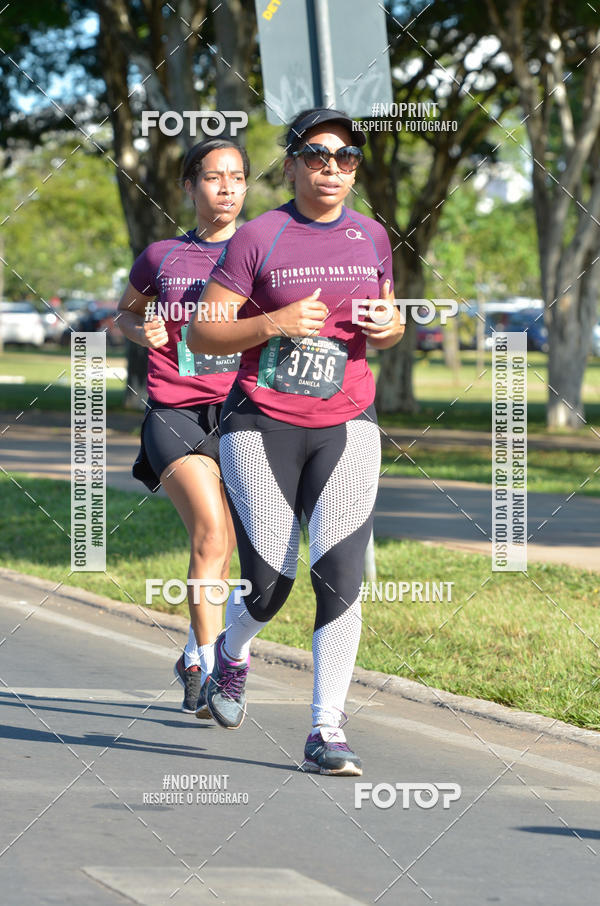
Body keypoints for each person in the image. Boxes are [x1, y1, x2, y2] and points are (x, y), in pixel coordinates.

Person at [187, 108, 405, 774]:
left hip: (348, 423)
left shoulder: (372, 237)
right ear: (291, 164)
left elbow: (387, 326)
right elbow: (202, 334)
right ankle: (230, 652)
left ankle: (325, 731)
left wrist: (391, 325)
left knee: (340, 577)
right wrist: (274, 322)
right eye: (318, 155)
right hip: (260, 423)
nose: (333, 167)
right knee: (272, 580)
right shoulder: (259, 236)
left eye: (347, 157)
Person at [116, 138, 249, 716]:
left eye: (237, 177)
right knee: (211, 536)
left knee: (230, 554)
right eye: (214, 177)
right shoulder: (162, 256)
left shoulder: (263, 252)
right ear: (189, 187)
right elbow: (123, 310)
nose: (227, 187)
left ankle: (194, 653)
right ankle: (220, 666)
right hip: (176, 412)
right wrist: (136, 329)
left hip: (245, 415)